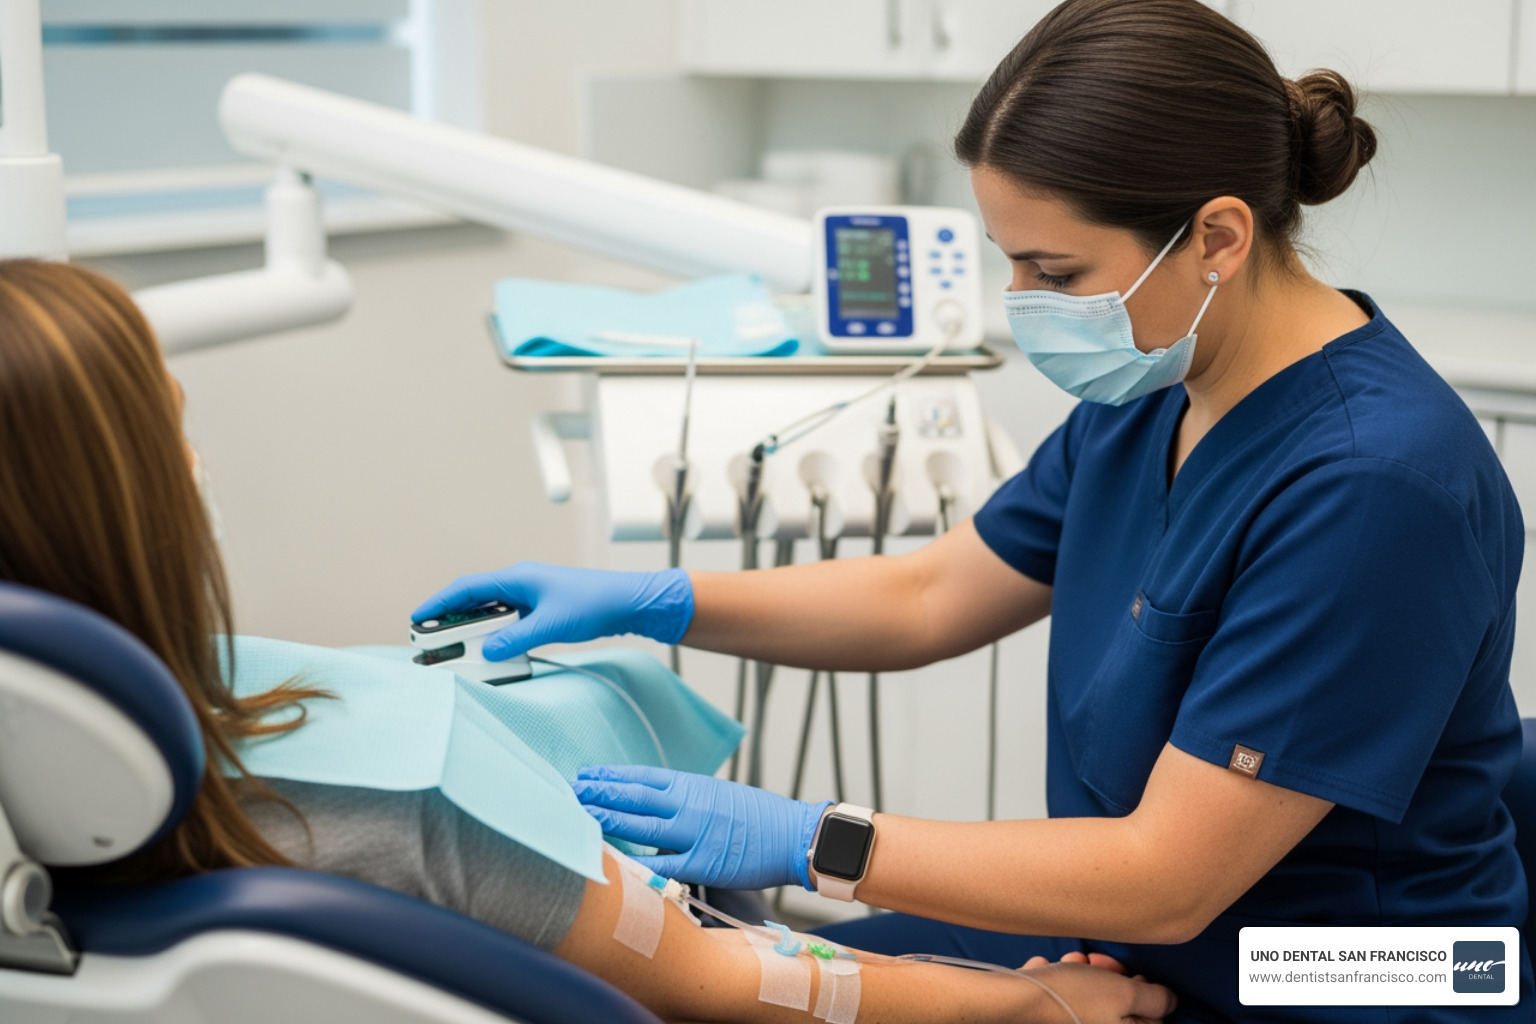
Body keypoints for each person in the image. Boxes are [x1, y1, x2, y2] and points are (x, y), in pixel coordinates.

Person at [413, 0, 1532, 1019]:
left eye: (1058, 270)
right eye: (1013, 264)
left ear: (1218, 239)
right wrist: (660, 601)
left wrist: (814, 840)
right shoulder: (1164, 383)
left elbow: (1172, 876)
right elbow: (929, 591)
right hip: (1133, 925)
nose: (1027, 306)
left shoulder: (1373, 487)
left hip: (1360, 970)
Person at [0, 257, 1173, 1024]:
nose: (1021, 293)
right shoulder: (395, 804)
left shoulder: (76, 783)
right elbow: (725, 981)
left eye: (1051, 269)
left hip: (1333, 956)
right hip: (1206, 950)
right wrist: (1034, 1008)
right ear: (130, 488)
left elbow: (933, 601)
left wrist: (668, 614)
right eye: (175, 427)